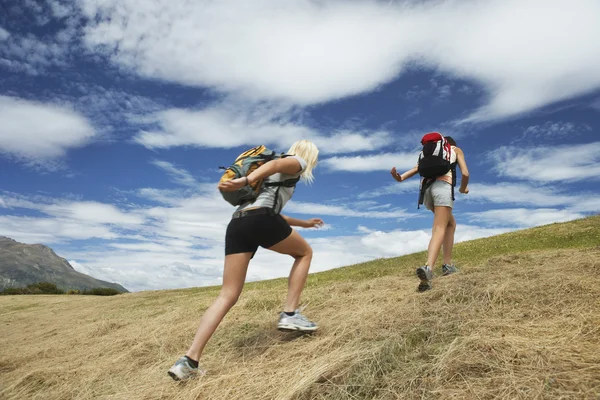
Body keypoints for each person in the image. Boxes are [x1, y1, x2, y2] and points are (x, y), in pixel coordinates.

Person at [168, 140, 323, 381]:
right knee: (305, 253)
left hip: (239, 222)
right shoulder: (296, 162)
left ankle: (188, 361)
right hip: (261, 219)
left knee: (227, 294)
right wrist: (245, 180)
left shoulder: (273, 180)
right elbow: (276, 166)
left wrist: (305, 223)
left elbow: (275, 211)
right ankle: (290, 313)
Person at [390, 136, 469, 292]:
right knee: (439, 228)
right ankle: (428, 268)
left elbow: (403, 177)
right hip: (442, 189)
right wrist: (462, 188)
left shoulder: (427, 155)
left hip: (427, 193)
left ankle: (448, 265)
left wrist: (397, 176)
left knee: (450, 223)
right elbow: (465, 174)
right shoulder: (454, 150)